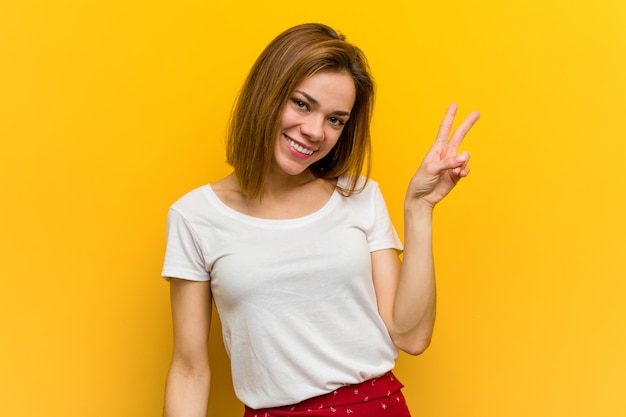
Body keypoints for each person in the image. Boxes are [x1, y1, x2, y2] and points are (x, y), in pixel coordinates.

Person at [161, 23, 479, 417]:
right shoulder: (195, 217)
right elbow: (190, 370)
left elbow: (411, 335)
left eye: (336, 120)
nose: (314, 131)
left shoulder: (360, 197)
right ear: (267, 95)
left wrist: (420, 208)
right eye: (302, 104)